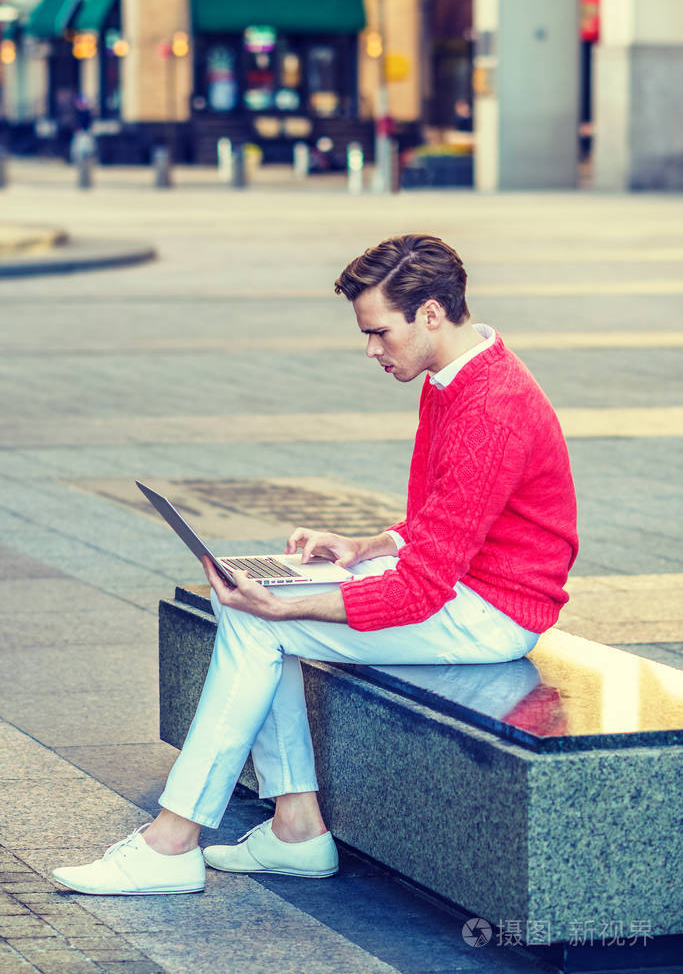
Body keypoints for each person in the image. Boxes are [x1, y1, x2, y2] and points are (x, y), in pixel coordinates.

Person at [52, 234, 578, 896]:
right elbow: (446, 520)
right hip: (461, 589)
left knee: (259, 618)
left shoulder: (490, 406)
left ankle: (173, 841)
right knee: (239, 597)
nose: (371, 350)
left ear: (433, 314)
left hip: (490, 616)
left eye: (380, 332)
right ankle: (294, 828)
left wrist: (289, 607)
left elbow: (420, 592)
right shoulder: (454, 376)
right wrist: (365, 547)